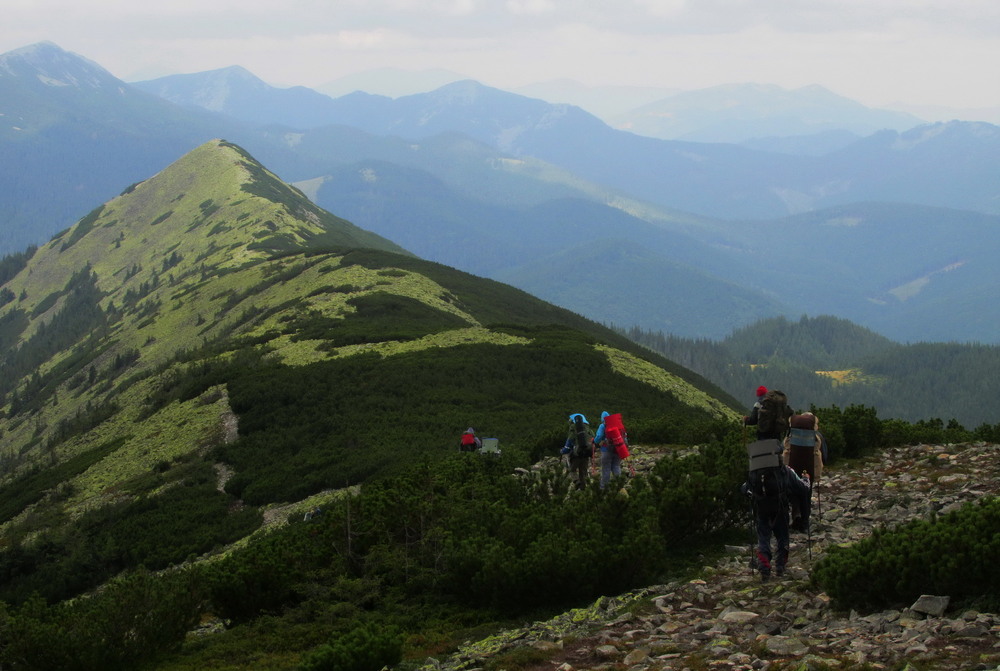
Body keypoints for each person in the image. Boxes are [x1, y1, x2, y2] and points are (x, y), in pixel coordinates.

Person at [783, 412, 825, 531]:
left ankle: (796, 514)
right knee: (806, 492)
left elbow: (784, 447)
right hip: (809, 467)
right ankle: (805, 522)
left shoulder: (791, 436)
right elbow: (824, 453)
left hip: (793, 465)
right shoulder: (817, 437)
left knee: (793, 491)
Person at [561, 413, 593, 489]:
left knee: (572, 470)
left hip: (576, 455)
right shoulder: (589, 430)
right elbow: (593, 441)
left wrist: (562, 451)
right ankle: (584, 489)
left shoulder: (573, 430)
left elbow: (568, 445)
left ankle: (576, 481)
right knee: (583, 472)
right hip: (586, 454)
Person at [593, 410, 622, 489]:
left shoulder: (602, 425)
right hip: (618, 449)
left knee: (606, 469)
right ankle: (619, 485)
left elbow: (599, 436)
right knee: (616, 466)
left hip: (606, 450)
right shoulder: (616, 425)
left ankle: (604, 488)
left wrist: (594, 441)